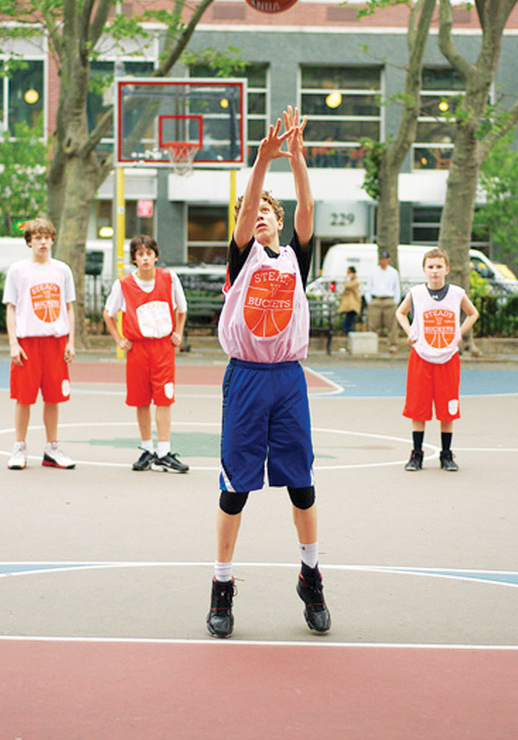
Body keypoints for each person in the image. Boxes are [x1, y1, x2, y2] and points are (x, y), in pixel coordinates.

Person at [206, 106, 331, 639]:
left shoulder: (294, 260)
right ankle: (222, 583)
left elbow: (306, 203)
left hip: (287, 379)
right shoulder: (242, 257)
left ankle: (311, 574)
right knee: (235, 489)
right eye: (250, 209)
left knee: (300, 485)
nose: (257, 213)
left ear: (279, 221)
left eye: (265, 210)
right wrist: (260, 163)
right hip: (247, 378)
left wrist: (296, 157)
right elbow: (245, 210)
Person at [103, 235, 189, 473]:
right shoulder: (123, 284)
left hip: (162, 347)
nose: (145, 259)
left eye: (148, 254)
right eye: (140, 254)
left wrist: (178, 333)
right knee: (141, 399)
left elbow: (182, 309)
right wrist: (119, 339)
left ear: (156, 256)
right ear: (134, 258)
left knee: (164, 398)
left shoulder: (169, 279)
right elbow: (108, 314)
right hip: (138, 348)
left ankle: (164, 450)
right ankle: (147, 449)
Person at [395, 247, 479, 472]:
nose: (435, 271)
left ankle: (446, 454)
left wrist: (460, 332)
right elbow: (400, 313)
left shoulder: (457, 293)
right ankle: (417, 454)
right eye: (430, 267)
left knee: (447, 407)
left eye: (439, 266)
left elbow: (473, 313)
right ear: (424, 270)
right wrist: (409, 332)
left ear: (447, 269)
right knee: (418, 407)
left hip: (448, 356)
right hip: (421, 355)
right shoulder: (416, 293)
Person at [4, 217, 76, 470]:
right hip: (28, 342)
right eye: (37, 238)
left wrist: (70, 341)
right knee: (24, 398)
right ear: (29, 242)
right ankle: (19, 447)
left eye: (47, 237)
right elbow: (11, 309)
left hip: (55, 342)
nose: (43, 242)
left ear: (52, 239)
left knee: (53, 397)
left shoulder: (62, 270)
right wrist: (13, 343)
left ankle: (52, 448)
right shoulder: (18, 271)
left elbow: (68, 307)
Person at [365, 249, 401, 352]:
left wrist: (395, 301)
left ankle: (393, 344)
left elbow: (397, 287)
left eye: (385, 259)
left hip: (389, 300)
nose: (383, 261)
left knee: (392, 325)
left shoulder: (393, 272)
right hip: (376, 299)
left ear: (388, 260)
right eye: (381, 259)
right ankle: (372, 345)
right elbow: (369, 286)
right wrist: (370, 301)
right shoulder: (373, 272)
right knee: (373, 324)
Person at [337, 265, 362, 334]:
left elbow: (347, 286)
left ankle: (350, 331)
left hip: (353, 304)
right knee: (348, 318)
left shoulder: (355, 282)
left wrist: (348, 279)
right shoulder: (352, 281)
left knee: (349, 320)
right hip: (349, 304)